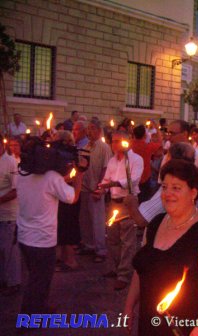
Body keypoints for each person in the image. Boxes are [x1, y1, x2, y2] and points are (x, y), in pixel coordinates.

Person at [124, 160, 198, 336]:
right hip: (151, 321)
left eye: (176, 188)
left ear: (193, 193)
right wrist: (129, 306)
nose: (168, 194)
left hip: (187, 325)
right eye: (164, 187)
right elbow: (141, 268)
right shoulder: (155, 224)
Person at [16, 138, 85, 314]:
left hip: (24, 236)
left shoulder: (22, 172)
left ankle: (40, 308)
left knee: (35, 277)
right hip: (42, 240)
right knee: (39, 281)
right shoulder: (51, 177)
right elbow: (72, 197)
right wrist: (80, 174)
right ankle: (28, 318)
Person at [96, 131, 143, 291]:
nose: (114, 144)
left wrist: (113, 184)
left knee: (128, 240)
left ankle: (124, 274)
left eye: (118, 141)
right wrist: (101, 189)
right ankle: (116, 268)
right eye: (113, 141)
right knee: (113, 238)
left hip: (128, 202)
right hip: (114, 202)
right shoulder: (112, 161)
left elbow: (134, 179)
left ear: (126, 141)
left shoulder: (136, 159)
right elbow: (106, 179)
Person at [78, 119, 113, 262]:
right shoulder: (86, 146)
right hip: (84, 188)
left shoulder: (104, 147)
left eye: (92, 128)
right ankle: (89, 244)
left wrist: (100, 188)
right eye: (88, 128)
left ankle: (101, 249)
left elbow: (106, 168)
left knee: (97, 219)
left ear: (99, 130)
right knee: (85, 218)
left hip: (95, 188)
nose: (89, 131)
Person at [54, 131, 81, 272]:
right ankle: (63, 258)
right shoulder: (65, 155)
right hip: (63, 194)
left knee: (67, 227)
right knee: (63, 228)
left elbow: (73, 176)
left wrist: (57, 180)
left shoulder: (71, 156)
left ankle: (70, 260)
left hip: (69, 194)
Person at [0, 135, 21, 296]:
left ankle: (14, 282)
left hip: (8, 215)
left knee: (10, 251)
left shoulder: (10, 162)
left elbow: (15, 190)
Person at [131, 125, 162, 202]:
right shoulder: (148, 146)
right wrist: (157, 129)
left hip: (130, 177)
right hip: (144, 178)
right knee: (143, 202)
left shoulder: (128, 145)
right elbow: (160, 143)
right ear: (144, 135)